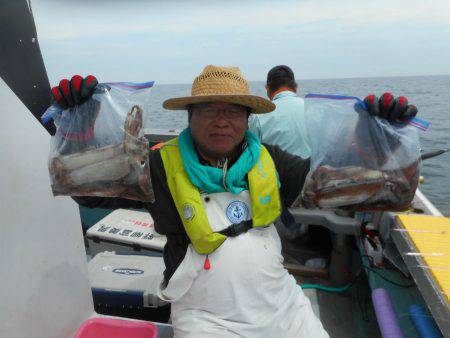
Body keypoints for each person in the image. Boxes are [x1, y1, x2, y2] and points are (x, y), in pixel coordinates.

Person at [50, 65, 417, 338]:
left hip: (282, 304)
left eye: (234, 111)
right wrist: (81, 129)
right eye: (210, 110)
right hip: (206, 317)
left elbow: (332, 182)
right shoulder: (158, 165)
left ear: (248, 119)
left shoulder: (270, 160)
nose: (222, 121)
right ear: (190, 117)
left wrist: (377, 140)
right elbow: (89, 192)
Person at [249, 65, 310, 159]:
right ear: (296, 87)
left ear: (267, 88)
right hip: (311, 171)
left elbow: (252, 153)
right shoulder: (312, 109)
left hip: (276, 172)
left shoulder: (258, 116)